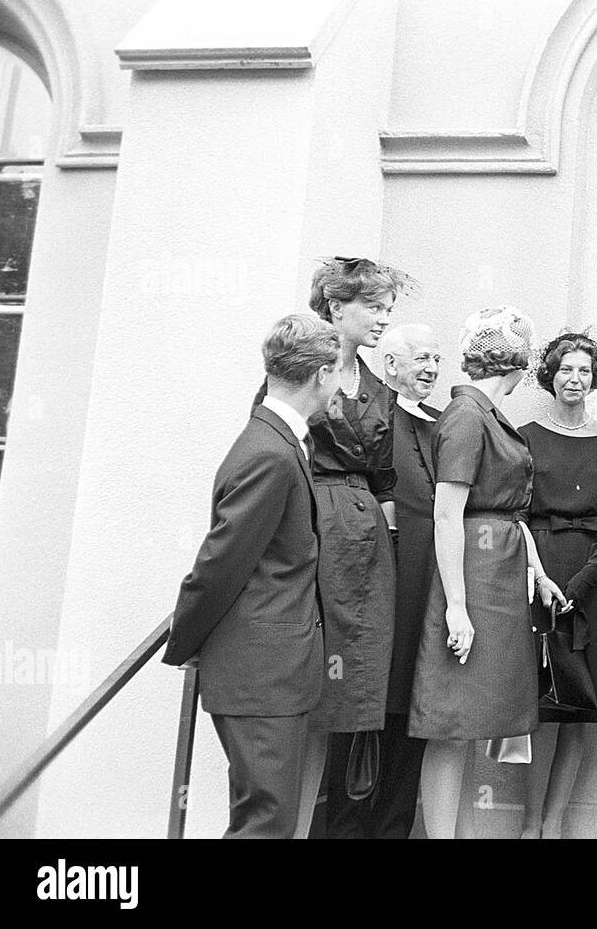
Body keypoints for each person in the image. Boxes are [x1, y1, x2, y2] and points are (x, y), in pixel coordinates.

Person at [163, 314, 340, 838]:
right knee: (266, 823)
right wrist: (186, 641)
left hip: (271, 670)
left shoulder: (279, 441)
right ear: (322, 374)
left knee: (266, 819)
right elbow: (220, 564)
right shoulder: (270, 453)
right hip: (260, 673)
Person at [409, 306, 567, 840]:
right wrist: (456, 605)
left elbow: (509, 514)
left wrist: (537, 571)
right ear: (518, 370)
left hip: (496, 569)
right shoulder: (467, 416)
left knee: (473, 717)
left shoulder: (483, 412)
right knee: (452, 720)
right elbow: (447, 512)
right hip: (473, 575)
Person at [269, 257, 403, 839]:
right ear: (335, 306)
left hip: (366, 546)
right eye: (373, 306)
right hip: (311, 531)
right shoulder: (303, 367)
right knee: (307, 694)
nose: (383, 318)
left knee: (348, 697)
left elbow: (386, 480)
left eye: (388, 308)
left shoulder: (377, 386)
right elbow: (275, 452)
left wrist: (387, 551)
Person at [515, 332, 597, 839]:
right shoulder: (524, 437)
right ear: (550, 376)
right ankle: (526, 824)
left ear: (595, 377)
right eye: (565, 370)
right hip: (537, 571)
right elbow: (515, 513)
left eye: (584, 371)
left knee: (580, 705)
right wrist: (539, 575)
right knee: (538, 706)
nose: (575, 380)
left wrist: (585, 578)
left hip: (594, 579)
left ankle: (553, 826)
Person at [357, 323, 445, 838]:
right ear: (391, 365)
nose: (432, 368)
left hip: (431, 587)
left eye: (436, 358)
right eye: (421, 359)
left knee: (415, 711)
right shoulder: (372, 418)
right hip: (383, 583)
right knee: (369, 716)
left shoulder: (440, 422)